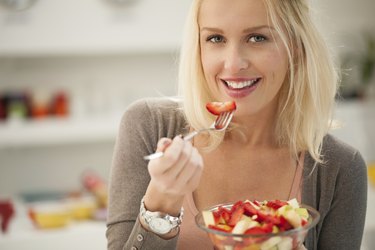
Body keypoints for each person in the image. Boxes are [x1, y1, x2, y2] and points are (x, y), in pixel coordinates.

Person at [106, 0, 368, 249]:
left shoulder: (341, 169)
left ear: (296, 45)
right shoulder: (147, 126)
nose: (233, 64)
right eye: (215, 38)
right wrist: (161, 202)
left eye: (257, 38)